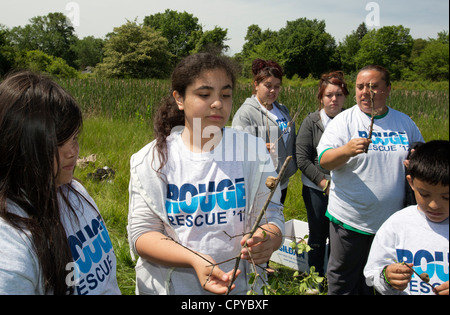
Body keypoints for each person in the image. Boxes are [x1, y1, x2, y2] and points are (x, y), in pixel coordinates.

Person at [127, 53, 284, 295]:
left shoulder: (252, 151)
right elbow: (142, 234)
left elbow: (273, 213)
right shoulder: (151, 160)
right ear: (179, 98)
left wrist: (270, 238)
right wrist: (194, 259)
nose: (217, 103)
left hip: (241, 288)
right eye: (204, 94)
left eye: (225, 94)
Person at [0, 71, 120, 295]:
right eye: (56, 141)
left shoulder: (74, 190)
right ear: (18, 145)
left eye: (74, 138)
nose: (74, 151)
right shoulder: (9, 247)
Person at [317, 65, 424, 295]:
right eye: (360, 87)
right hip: (350, 220)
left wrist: (414, 161)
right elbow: (324, 160)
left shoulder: (404, 123)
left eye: (373, 86)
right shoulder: (344, 121)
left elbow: (421, 156)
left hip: (390, 222)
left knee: (377, 280)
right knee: (344, 278)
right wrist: (346, 150)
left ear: (388, 89)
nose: (366, 92)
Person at [364, 140, 449, 295]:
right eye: (425, 194)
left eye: (447, 197)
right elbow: (372, 275)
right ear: (411, 183)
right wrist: (386, 277)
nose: (434, 205)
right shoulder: (398, 224)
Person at [295, 71, 349, 278]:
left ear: (345, 97)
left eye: (339, 95)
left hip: (345, 187)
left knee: (341, 236)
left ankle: (337, 279)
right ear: (321, 97)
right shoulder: (311, 122)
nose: (334, 99)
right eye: (329, 95)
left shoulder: (351, 121)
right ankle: (315, 278)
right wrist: (323, 182)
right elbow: (302, 159)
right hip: (316, 189)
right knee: (318, 235)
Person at [232, 59, 297, 204]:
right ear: (256, 85)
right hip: (261, 186)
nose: (273, 90)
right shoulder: (245, 114)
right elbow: (238, 151)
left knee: (277, 219)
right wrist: (258, 150)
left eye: (277, 86)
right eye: (268, 86)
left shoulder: (282, 110)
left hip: (282, 182)